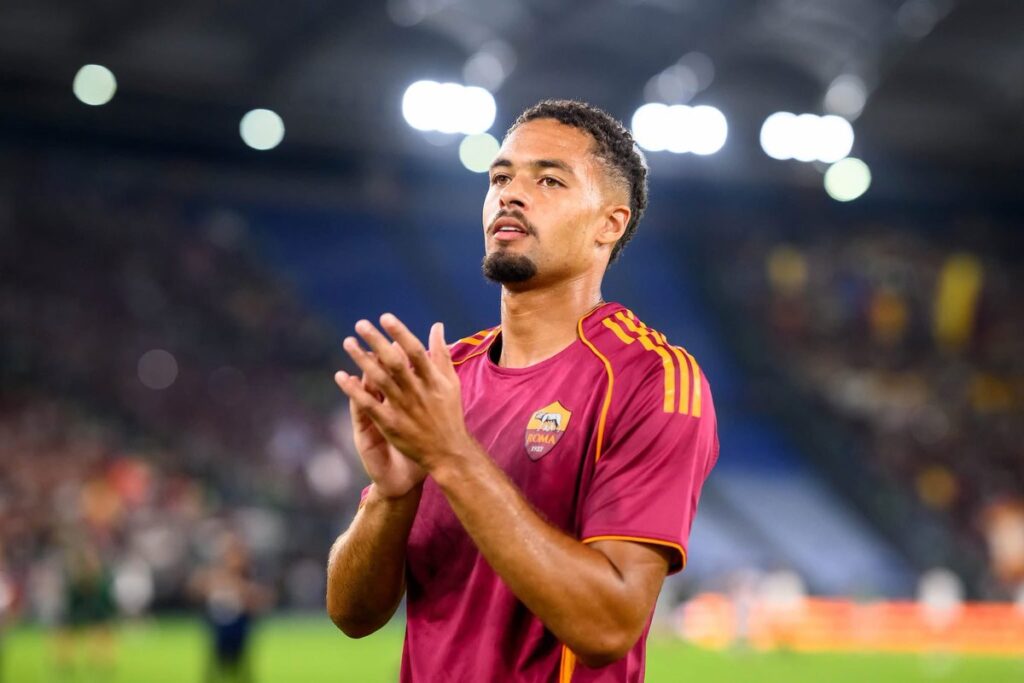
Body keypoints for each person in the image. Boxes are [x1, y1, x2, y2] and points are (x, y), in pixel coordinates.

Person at [326, 99, 720, 682]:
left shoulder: (652, 380)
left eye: (549, 180)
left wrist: (452, 457)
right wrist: (391, 495)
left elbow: (608, 627)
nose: (510, 195)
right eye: (501, 178)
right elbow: (352, 614)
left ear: (609, 224)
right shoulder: (443, 378)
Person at [189, 533, 274, 683]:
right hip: (218, 625)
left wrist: (246, 593)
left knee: (240, 661)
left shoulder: (248, 578)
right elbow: (196, 590)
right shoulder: (215, 575)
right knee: (217, 660)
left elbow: (262, 601)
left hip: (240, 624)